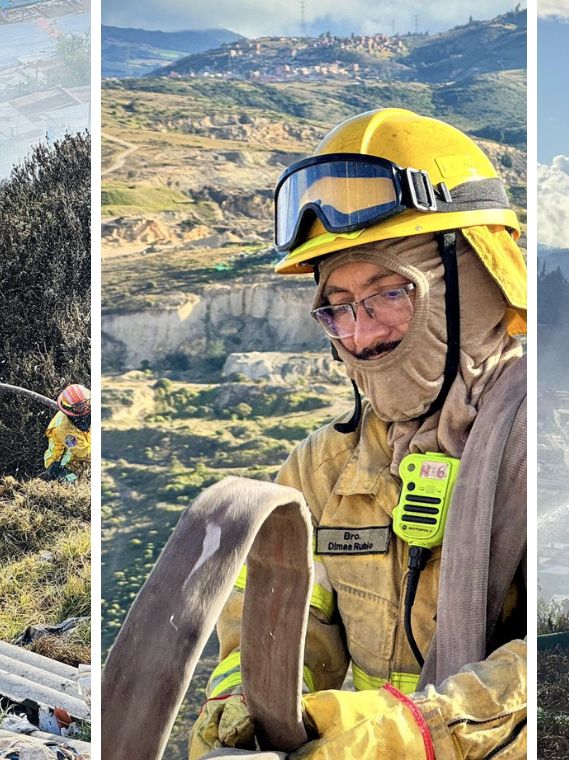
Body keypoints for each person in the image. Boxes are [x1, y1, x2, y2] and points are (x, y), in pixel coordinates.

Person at [189, 108, 528, 759]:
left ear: (478, 281)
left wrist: (411, 735)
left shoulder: (544, 442)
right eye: (337, 308)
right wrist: (244, 708)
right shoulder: (323, 468)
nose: (363, 335)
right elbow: (279, 629)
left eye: (390, 294)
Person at [44, 383, 91, 483]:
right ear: (70, 409)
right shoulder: (63, 428)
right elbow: (83, 452)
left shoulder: (86, 411)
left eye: (87, 402)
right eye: (80, 406)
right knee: (74, 484)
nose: (86, 407)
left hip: (84, 452)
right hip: (63, 463)